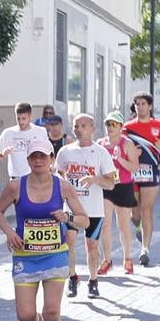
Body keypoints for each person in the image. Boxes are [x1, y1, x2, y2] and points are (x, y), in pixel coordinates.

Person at [0, 140, 90, 321]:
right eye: (33, 157)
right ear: (27, 160)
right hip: (26, 257)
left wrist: (67, 217)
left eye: (43, 157)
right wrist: (10, 233)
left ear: (51, 159)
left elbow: (84, 220)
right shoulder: (16, 186)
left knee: (53, 311)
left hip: (55, 255)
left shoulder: (63, 187)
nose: (38, 161)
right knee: (24, 315)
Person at [55, 114, 116, 299]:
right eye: (76, 126)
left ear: (92, 128)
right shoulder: (65, 151)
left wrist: (95, 179)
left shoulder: (101, 153)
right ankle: (73, 277)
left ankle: (93, 280)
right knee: (68, 244)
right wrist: (62, 180)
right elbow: (58, 173)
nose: (79, 129)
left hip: (94, 209)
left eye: (83, 126)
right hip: (72, 208)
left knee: (91, 246)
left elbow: (111, 183)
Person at [124, 92, 160, 268]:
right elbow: (120, 144)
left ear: (150, 106)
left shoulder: (158, 125)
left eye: (143, 103)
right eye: (137, 104)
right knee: (135, 214)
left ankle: (145, 250)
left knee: (146, 210)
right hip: (132, 172)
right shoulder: (127, 127)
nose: (140, 107)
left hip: (151, 170)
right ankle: (138, 228)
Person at [97, 111, 142, 275]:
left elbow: (135, 168)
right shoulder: (100, 144)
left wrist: (120, 159)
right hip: (107, 187)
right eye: (108, 124)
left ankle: (128, 258)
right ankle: (107, 260)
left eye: (114, 124)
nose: (110, 127)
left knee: (123, 226)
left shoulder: (127, 144)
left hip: (123, 186)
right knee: (105, 224)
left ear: (121, 126)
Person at [0, 102, 54, 180]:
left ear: (30, 116)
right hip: (15, 179)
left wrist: (49, 167)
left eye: (24, 118)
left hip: (35, 178)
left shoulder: (40, 131)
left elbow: (49, 152)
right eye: (18, 118)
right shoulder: (8, 133)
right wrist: (1, 154)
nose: (21, 122)